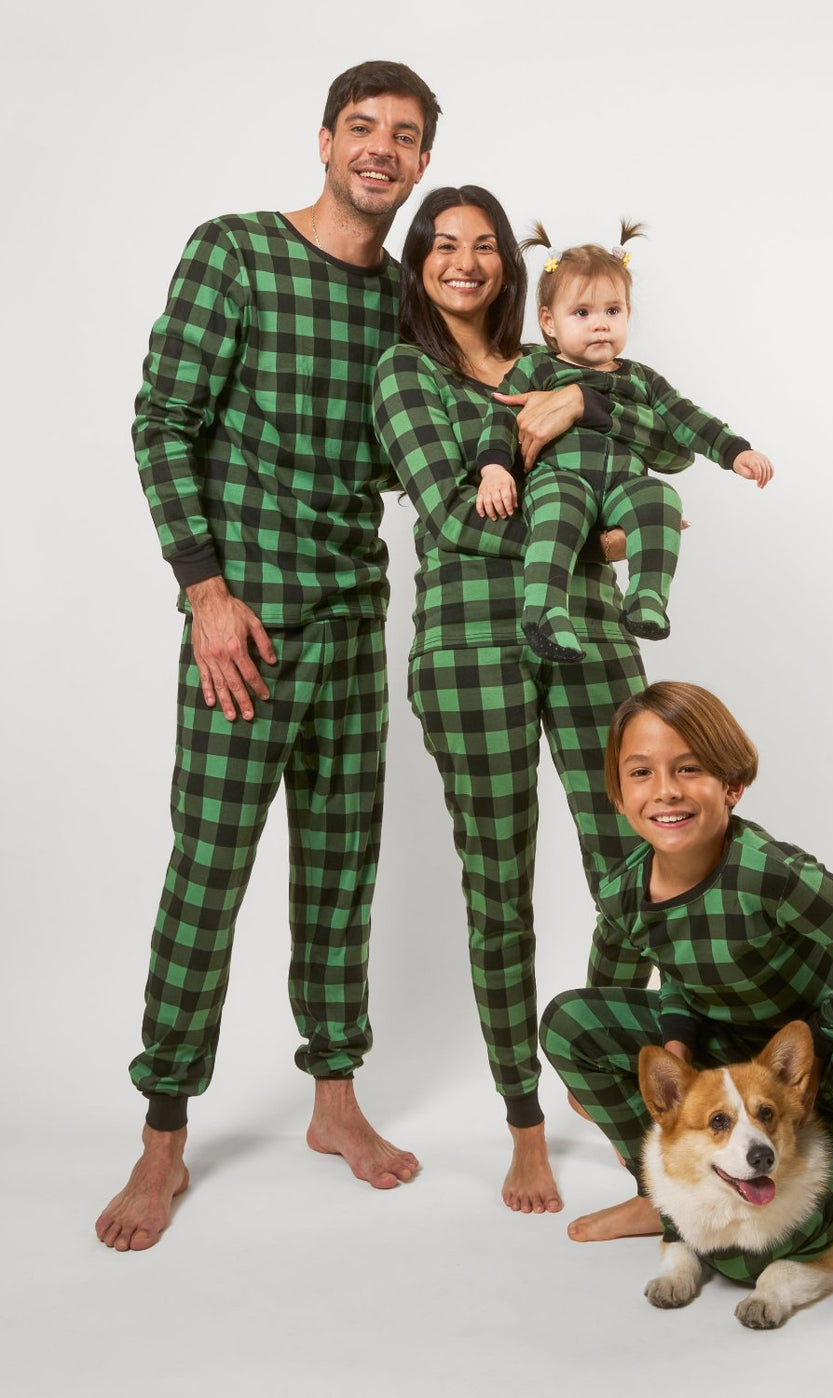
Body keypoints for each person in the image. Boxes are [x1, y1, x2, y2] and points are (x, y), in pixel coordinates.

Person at [95, 61, 440, 1253]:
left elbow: (425, 457)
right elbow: (162, 420)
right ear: (326, 140)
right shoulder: (234, 251)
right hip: (243, 633)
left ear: (423, 161)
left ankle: (334, 1106)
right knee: (209, 881)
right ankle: (162, 1143)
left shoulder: (406, 298)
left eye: (404, 136)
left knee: (341, 874)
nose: (380, 150)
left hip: (354, 627)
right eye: (363, 128)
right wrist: (205, 591)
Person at [372, 186, 697, 1214]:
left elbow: (672, 447)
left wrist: (585, 403)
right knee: (498, 887)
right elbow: (460, 521)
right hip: (470, 653)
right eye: (444, 245)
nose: (465, 262)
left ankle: (606, 1076)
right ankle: (523, 1118)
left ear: (513, 269)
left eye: (484, 247)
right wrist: (611, 538)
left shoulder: (555, 363)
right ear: (419, 259)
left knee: (637, 872)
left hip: (593, 639)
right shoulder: (405, 372)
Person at [540, 682, 833, 1346]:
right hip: (726, 1039)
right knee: (568, 1021)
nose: (665, 789)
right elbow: (635, 984)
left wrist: (826, 1036)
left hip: (820, 1028)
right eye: (642, 773)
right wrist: (673, 1043)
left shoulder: (770, 873)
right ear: (619, 794)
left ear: (732, 785)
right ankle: (660, 1198)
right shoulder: (625, 891)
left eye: (688, 768)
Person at [473, 224, 773, 662]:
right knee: (558, 511)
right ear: (548, 322)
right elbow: (500, 415)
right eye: (582, 313)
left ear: (628, 314)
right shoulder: (537, 370)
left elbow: (685, 417)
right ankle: (545, 610)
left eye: (613, 311)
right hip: (561, 478)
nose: (600, 324)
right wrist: (494, 467)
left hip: (621, 488)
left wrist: (735, 451)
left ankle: (646, 597)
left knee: (660, 498)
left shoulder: (641, 378)